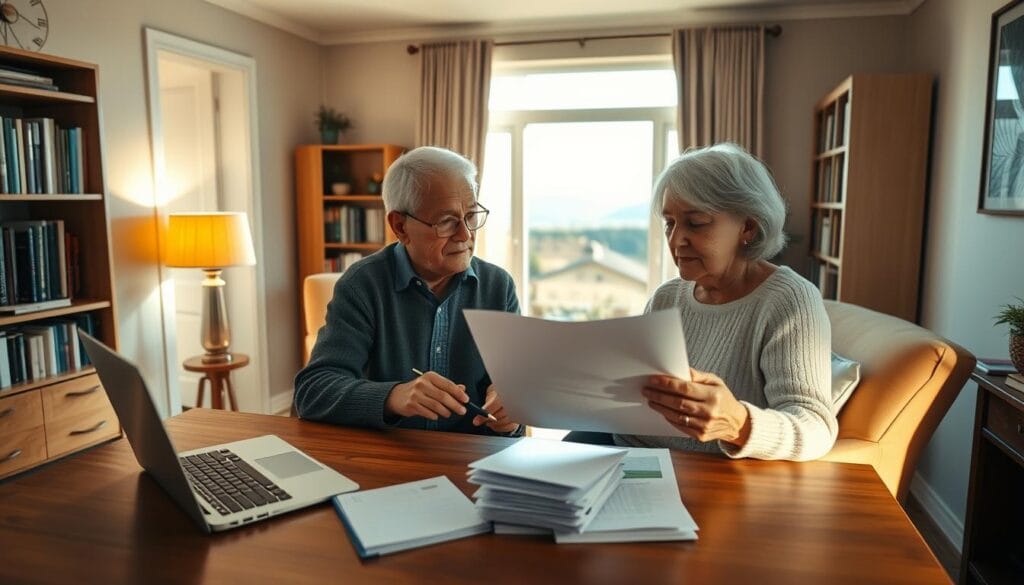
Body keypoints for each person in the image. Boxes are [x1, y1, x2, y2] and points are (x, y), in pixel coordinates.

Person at [570, 143, 837, 461]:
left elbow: (816, 428)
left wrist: (738, 423)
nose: (676, 239)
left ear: (747, 227)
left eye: (695, 223)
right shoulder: (667, 297)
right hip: (633, 455)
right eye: (670, 223)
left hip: (711, 474)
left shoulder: (788, 300)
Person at [294, 146, 523, 437]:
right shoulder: (363, 285)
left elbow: (516, 393)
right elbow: (313, 391)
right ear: (400, 226)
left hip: (475, 462)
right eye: (446, 221)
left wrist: (512, 412)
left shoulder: (498, 287)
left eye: (471, 215)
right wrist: (394, 396)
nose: (466, 235)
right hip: (392, 460)